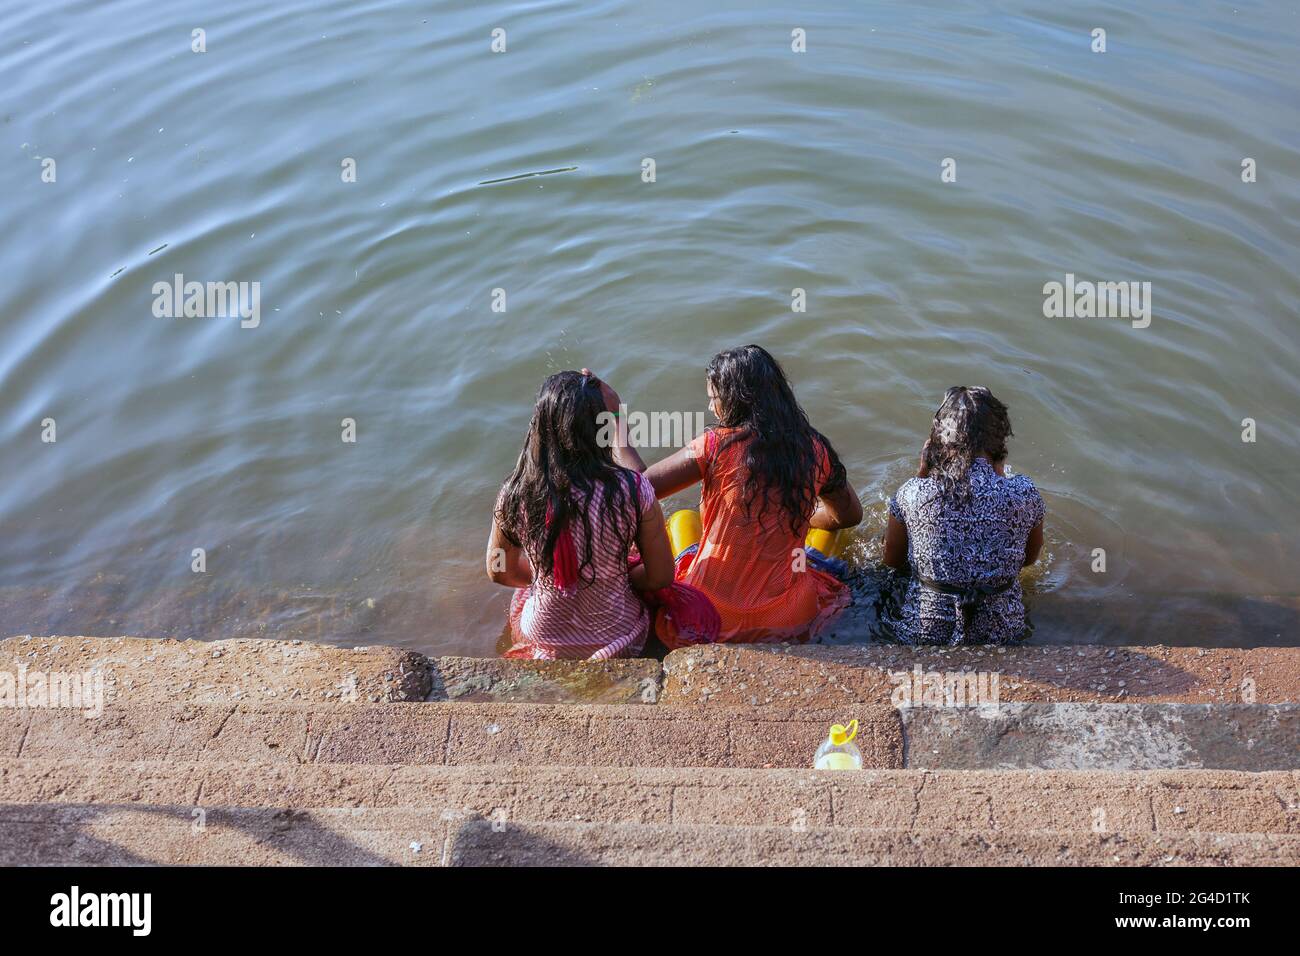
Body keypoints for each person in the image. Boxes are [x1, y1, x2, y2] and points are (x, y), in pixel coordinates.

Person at [631, 345, 863, 644]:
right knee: (822, 537)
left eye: (714, 399)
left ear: (733, 401)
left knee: (681, 519)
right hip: (787, 618)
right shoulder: (815, 450)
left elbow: (638, 489)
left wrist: (616, 432)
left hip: (710, 615)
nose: (712, 408)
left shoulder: (715, 445)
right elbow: (849, 516)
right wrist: (803, 515)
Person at [487, 370, 674, 659]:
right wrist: (618, 415)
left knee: (526, 591)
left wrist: (549, 579)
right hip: (617, 634)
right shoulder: (633, 490)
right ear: (599, 431)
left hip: (543, 634)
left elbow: (498, 569)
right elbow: (661, 576)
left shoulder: (515, 494)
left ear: (539, 427)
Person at [882, 386, 1044, 645]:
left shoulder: (913, 493)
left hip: (923, 631)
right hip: (1003, 632)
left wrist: (921, 473)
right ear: (999, 440)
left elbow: (892, 560)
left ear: (937, 441)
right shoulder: (1025, 493)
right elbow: (1028, 559)